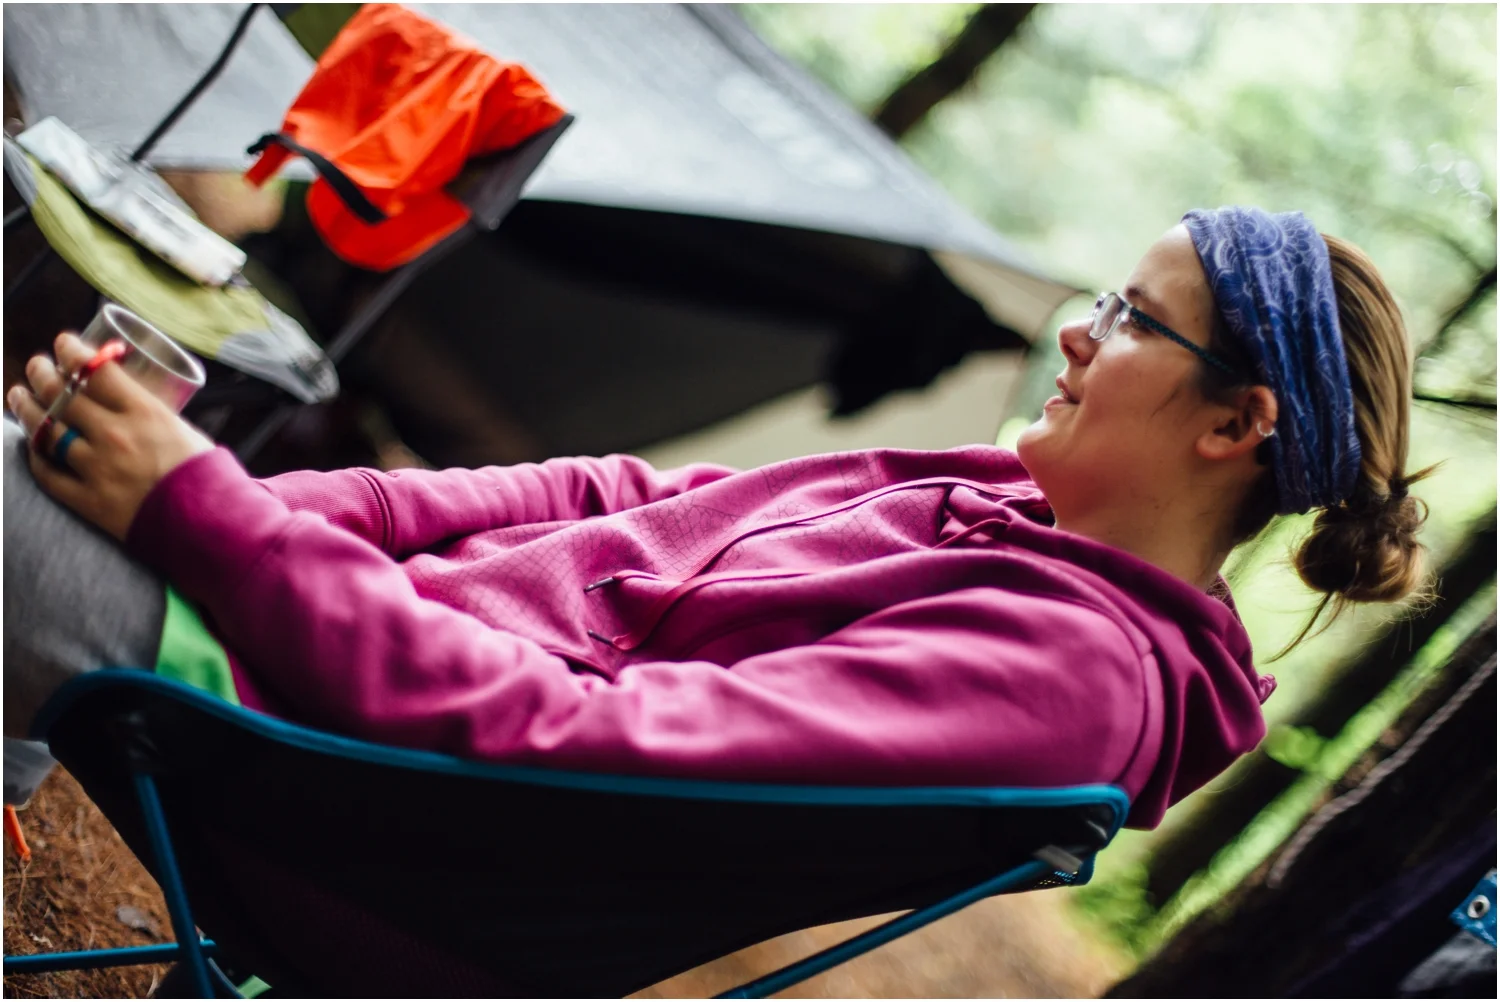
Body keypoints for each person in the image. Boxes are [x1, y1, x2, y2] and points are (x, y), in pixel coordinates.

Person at [2, 207, 1428, 829]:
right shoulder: (984, 498)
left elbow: (573, 754)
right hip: (303, 644)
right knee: (40, 458)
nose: (1075, 335)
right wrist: (249, 507)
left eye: (1129, 321)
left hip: (310, 755)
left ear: (1236, 424)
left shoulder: (1067, 681)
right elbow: (609, 492)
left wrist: (201, 522)